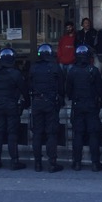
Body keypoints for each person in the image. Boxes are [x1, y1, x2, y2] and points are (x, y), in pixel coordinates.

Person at [67, 45, 102, 171]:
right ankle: (95, 163)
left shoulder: (72, 71)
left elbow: (69, 90)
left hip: (78, 105)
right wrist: (101, 102)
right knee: (93, 134)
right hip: (91, 105)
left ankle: (77, 162)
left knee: (78, 134)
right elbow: (100, 90)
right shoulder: (93, 70)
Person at [0, 48, 30, 170]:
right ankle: (14, 161)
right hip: (12, 105)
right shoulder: (15, 73)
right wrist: (26, 102)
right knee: (12, 134)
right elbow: (24, 89)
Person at [28, 43, 65, 173]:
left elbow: (30, 85)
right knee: (51, 133)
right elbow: (61, 87)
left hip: (37, 102)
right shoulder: (55, 67)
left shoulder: (33, 68)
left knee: (37, 133)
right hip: (50, 102)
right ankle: (52, 163)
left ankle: (38, 163)